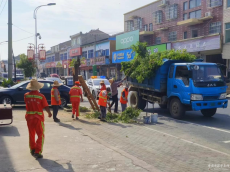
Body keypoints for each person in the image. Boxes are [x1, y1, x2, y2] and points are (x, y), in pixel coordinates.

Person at [24, 79, 52, 159]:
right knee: (40, 135)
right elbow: (46, 106)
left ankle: (32, 149)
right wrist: (49, 113)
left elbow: (26, 103)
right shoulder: (41, 96)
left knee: (31, 134)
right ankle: (38, 151)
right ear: (37, 87)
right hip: (38, 118)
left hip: (29, 118)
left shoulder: (26, 95)